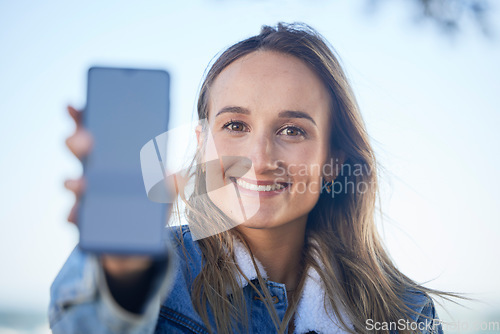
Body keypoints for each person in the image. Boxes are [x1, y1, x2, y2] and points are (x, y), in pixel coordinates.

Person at [50, 23, 445, 334]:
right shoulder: (157, 270)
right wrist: (122, 278)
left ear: (333, 162)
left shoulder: (407, 313)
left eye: (292, 130)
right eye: (235, 125)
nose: (259, 159)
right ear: (204, 145)